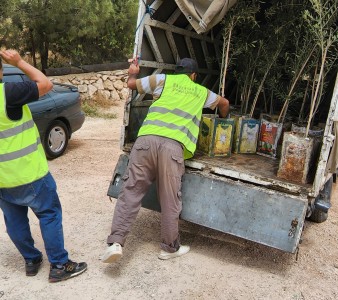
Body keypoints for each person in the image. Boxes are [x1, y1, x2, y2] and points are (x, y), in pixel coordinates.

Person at [101, 58, 230, 263]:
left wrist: (133, 71)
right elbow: (224, 103)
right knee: (170, 199)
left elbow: (132, 85)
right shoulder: (201, 91)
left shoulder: (163, 80)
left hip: (145, 141)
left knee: (131, 192)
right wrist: (224, 120)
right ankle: (169, 248)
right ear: (193, 76)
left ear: (177, 71)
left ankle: (116, 243)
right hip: (172, 147)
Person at [0, 49, 87, 282]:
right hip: (30, 172)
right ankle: (59, 265)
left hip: (2, 180)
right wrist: (18, 62)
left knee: (14, 221)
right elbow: (45, 84)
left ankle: (31, 259)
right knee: (49, 214)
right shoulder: (8, 93)